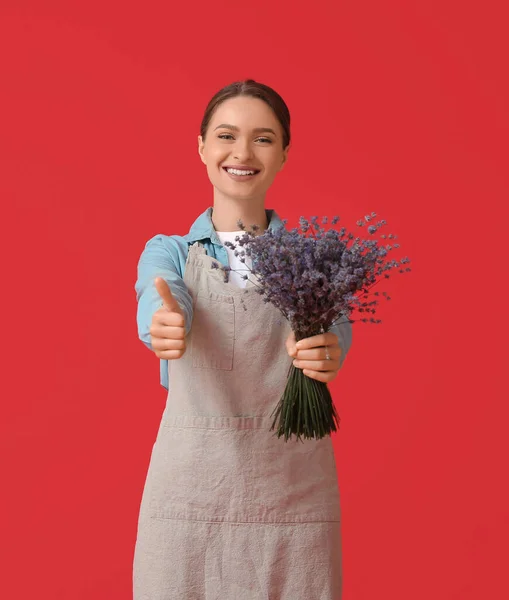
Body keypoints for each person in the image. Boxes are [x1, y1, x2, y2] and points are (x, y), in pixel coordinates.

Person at [132, 79, 352, 599]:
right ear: (203, 147)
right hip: (188, 498)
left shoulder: (317, 261)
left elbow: (335, 329)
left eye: (263, 139)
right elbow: (160, 298)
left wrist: (327, 350)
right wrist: (163, 322)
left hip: (293, 499)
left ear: (283, 155)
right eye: (227, 135)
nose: (242, 152)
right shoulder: (169, 253)